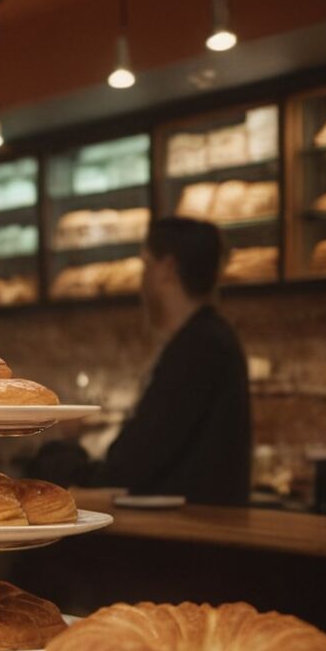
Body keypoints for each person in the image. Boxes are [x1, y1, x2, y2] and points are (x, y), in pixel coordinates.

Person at [98, 216, 252, 505]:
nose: (141, 279)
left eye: (146, 264)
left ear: (167, 270)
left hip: (194, 540)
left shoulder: (199, 345)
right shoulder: (208, 337)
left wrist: (61, 459)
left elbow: (130, 464)